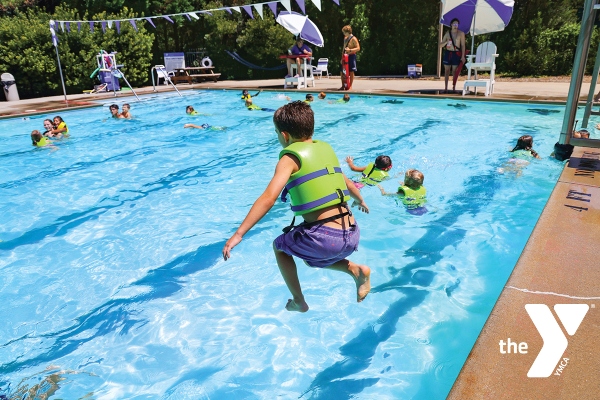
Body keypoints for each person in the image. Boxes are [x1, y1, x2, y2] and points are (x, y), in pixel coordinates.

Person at [222, 101, 371, 313]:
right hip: (351, 231)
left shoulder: (290, 157)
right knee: (310, 259)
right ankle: (355, 270)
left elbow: (268, 198)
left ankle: (298, 300)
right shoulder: (325, 150)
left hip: (326, 238)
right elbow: (347, 183)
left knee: (280, 247)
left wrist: (239, 234)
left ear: (284, 135)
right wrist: (361, 200)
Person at [439, 18, 466, 93]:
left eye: (457, 24)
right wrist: (446, 42)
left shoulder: (461, 33)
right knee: (447, 71)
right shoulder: (448, 33)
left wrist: (463, 56)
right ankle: (446, 88)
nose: (455, 26)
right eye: (454, 24)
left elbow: (463, 45)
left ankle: (454, 88)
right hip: (448, 53)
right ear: (451, 25)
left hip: (456, 53)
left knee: (455, 71)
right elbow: (440, 45)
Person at [339, 25, 360, 90]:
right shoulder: (345, 38)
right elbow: (343, 48)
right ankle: (343, 85)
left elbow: (358, 48)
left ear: (348, 32)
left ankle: (350, 86)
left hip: (351, 56)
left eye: (344, 32)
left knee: (351, 71)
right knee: (342, 71)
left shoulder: (353, 38)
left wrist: (350, 50)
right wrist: (341, 57)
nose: (343, 34)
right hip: (345, 56)